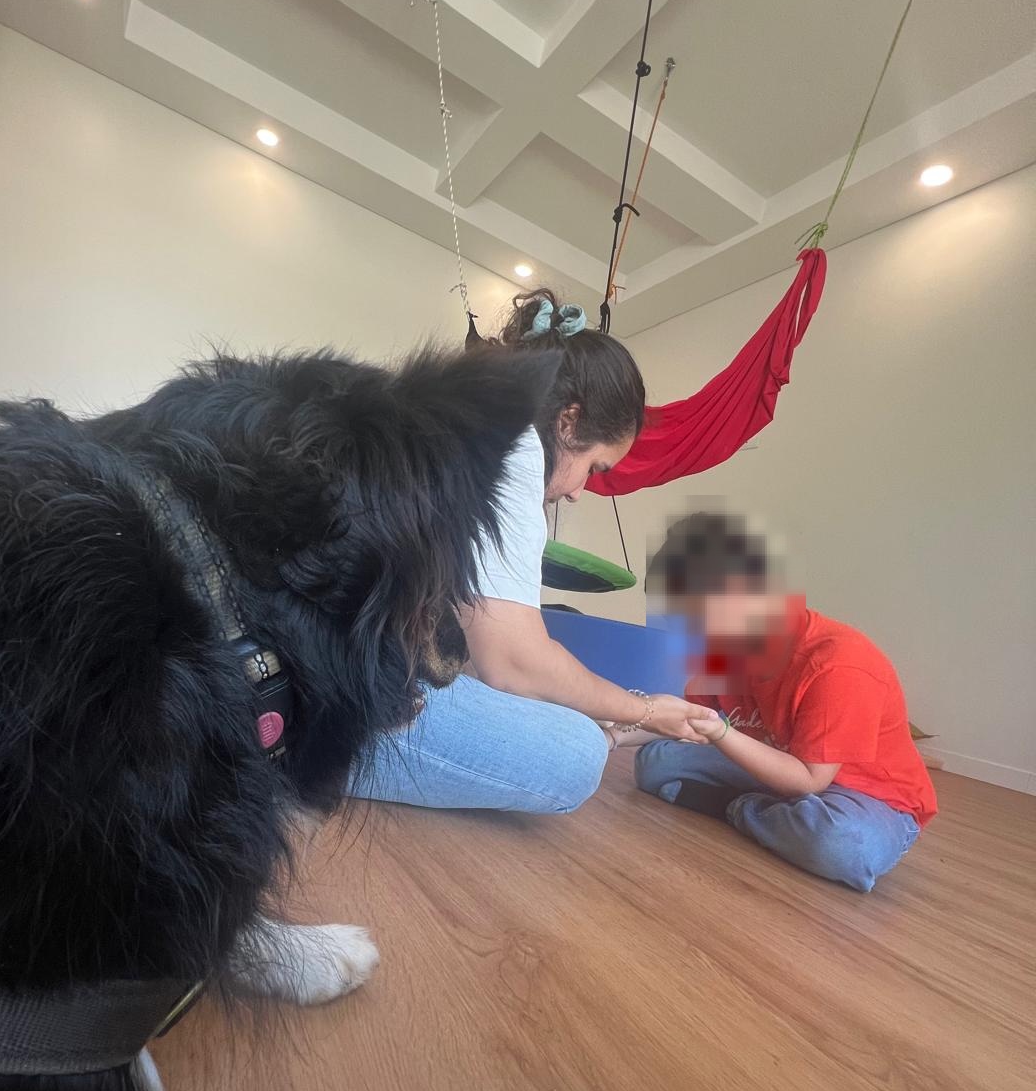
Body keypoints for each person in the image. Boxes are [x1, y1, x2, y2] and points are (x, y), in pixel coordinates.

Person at [349, 289, 719, 814]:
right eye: (593, 468)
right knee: (576, 753)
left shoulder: (460, 414)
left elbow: (483, 642)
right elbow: (513, 664)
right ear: (568, 421)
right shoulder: (515, 449)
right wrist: (644, 710)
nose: (578, 492)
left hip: (299, 637)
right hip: (310, 681)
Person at [636, 511, 937, 891]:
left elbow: (808, 780)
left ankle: (737, 808)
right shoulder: (730, 647)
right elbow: (689, 719)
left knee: (843, 846)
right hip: (779, 768)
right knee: (655, 763)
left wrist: (721, 733)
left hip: (863, 796)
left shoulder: (839, 666)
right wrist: (619, 729)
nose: (694, 638)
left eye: (698, 622)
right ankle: (777, 817)